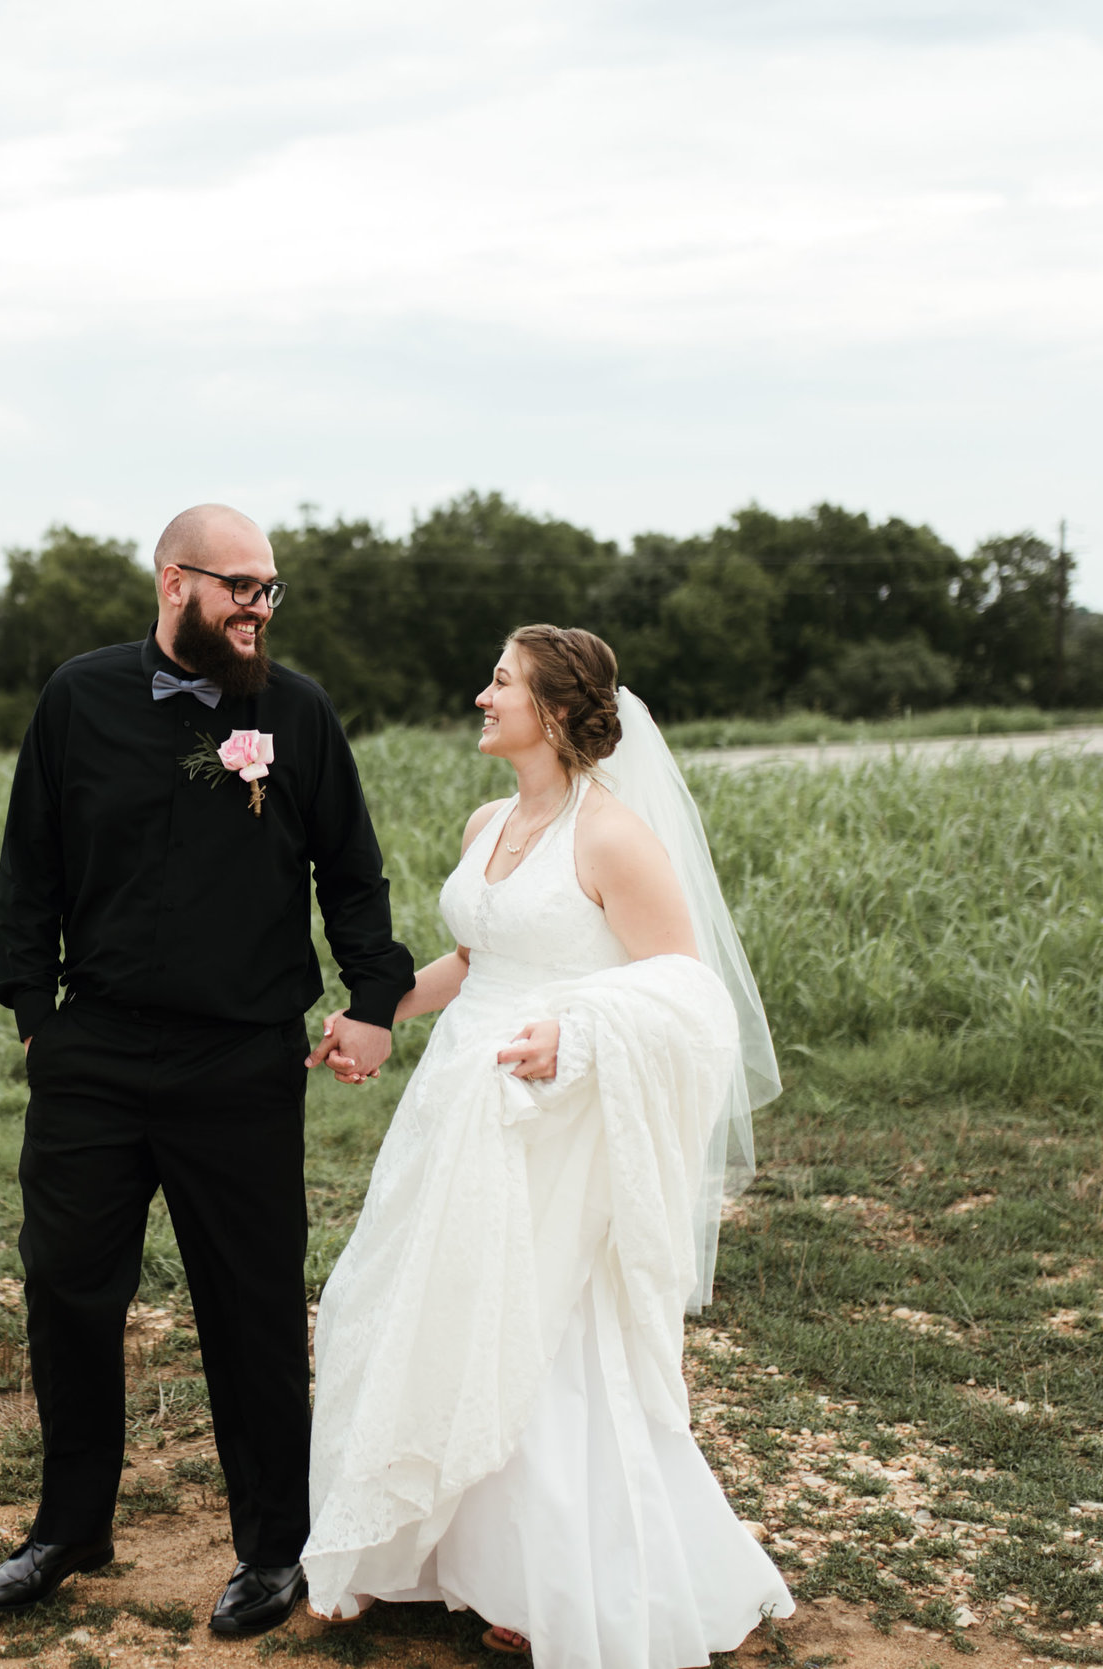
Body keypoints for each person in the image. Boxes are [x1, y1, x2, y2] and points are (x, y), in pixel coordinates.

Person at [301, 626, 794, 1667]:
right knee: (424, 1299)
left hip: (556, 1108)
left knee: (538, 1329)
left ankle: (551, 1574)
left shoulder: (611, 837)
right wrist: (377, 1015)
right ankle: (445, 1550)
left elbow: (688, 994)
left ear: (557, 712)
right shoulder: (491, 819)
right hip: (456, 1102)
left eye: (501, 682)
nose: (481, 696)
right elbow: (480, 956)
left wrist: (580, 1035)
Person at [0, 503, 417, 1636]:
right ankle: (69, 1526)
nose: (257, 609)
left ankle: (274, 1548)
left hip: (239, 1059)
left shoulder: (296, 710)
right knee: (67, 1291)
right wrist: (36, 1015)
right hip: (95, 1052)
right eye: (239, 587)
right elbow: (29, 864)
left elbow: (351, 872)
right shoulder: (77, 697)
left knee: (252, 1307)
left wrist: (372, 998)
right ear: (173, 582)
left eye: (270, 589)